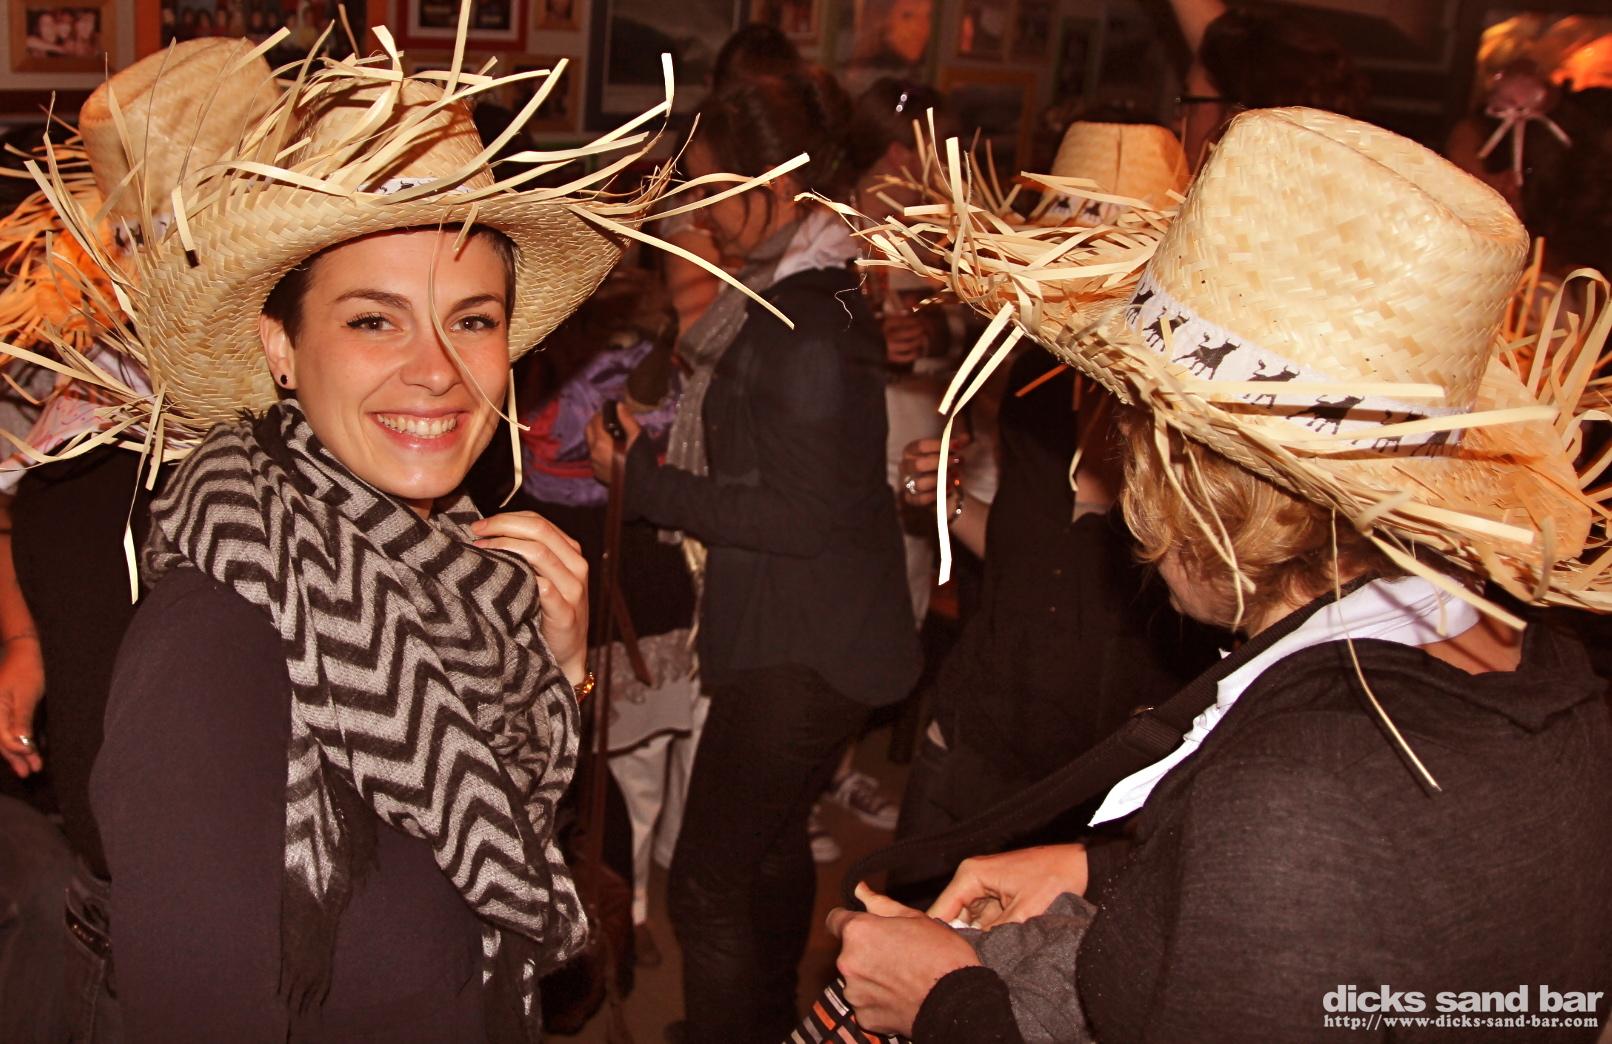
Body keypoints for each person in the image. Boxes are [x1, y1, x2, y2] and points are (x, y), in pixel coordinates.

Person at [19, 27, 762, 1040]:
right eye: (374, 319)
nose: (438, 370)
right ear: (281, 346)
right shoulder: (216, 644)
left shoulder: (451, 561)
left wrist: (560, 668)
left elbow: (489, 832)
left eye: (473, 319)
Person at [826, 107, 1612, 1041]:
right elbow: (1365, 927)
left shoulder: (1296, 797)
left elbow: (1308, 870)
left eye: (1133, 432)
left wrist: (946, 1003)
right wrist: (1103, 867)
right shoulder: (1542, 684)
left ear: (1192, 474)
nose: (1123, 484)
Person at [585, 68, 921, 1042]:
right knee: (767, 851)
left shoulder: (802, 318)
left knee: (707, 885)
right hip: (818, 634)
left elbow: (797, 516)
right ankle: (761, 1023)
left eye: (710, 187)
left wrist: (639, 480)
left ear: (771, 185)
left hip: (800, 650)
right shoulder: (812, 289)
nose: (699, 210)